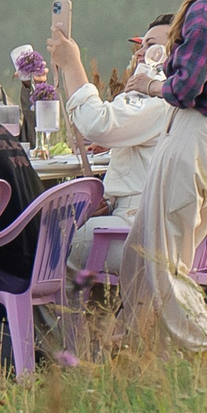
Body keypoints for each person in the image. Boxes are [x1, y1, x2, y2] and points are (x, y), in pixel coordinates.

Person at [115, 0, 207, 354]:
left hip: (191, 133)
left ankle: (203, 351)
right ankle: (143, 352)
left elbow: (186, 88)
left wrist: (150, 82)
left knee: (165, 262)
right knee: (141, 253)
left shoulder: (204, 9)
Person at [50, 20, 173, 265]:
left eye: (152, 46)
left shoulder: (160, 98)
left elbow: (99, 124)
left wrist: (72, 64)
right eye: (141, 46)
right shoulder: (188, 99)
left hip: (138, 227)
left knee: (50, 242)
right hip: (158, 223)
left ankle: (50, 303)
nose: (140, 53)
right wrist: (123, 143)